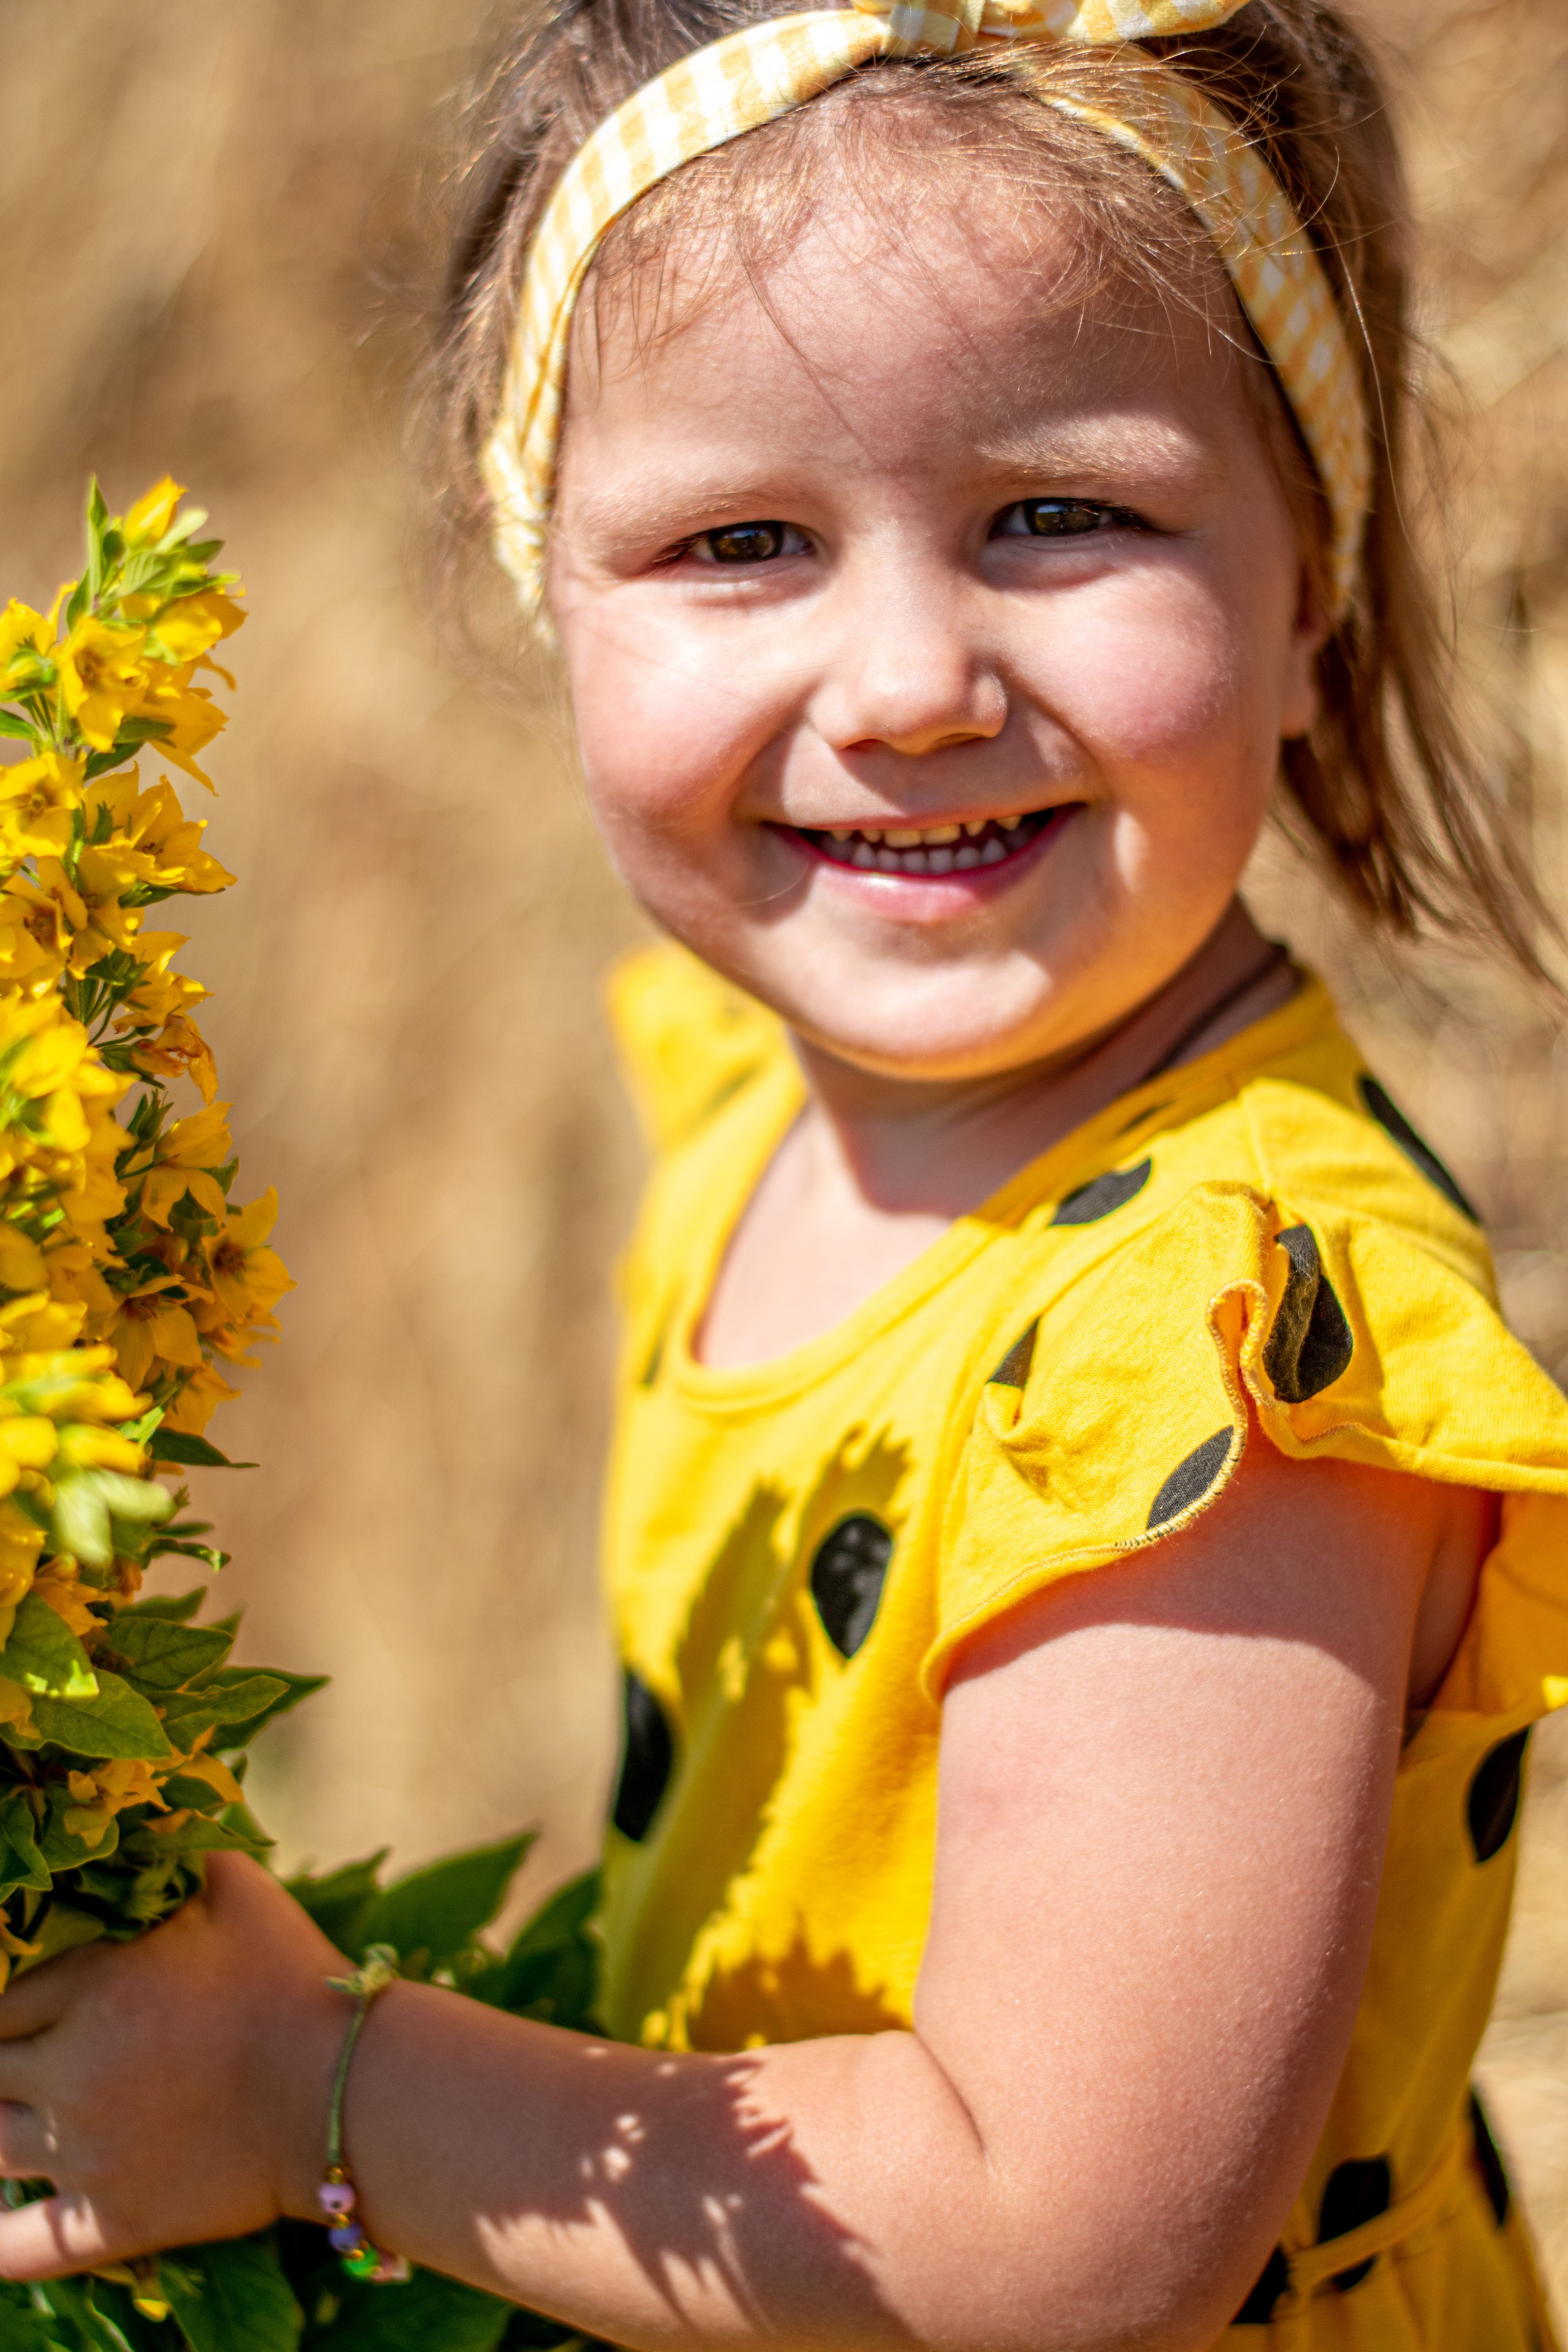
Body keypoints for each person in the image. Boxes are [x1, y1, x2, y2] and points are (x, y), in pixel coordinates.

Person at [1, 0, 1566, 2343]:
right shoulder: (749, 1091)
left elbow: (1063, 2236)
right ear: (561, 605)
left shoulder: (1217, 1358)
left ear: (1312, 600)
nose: (914, 679)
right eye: (741, 542)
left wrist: (309, 2088)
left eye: (1065, 515)